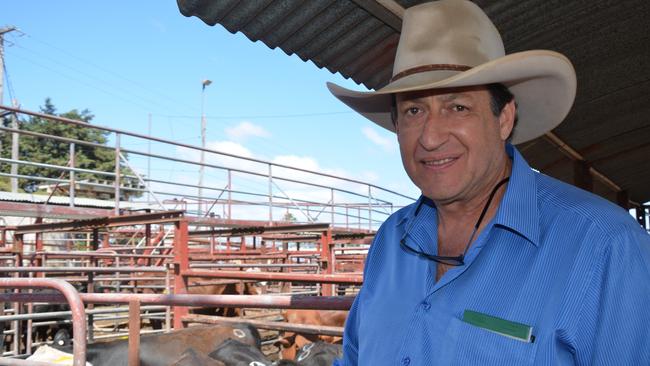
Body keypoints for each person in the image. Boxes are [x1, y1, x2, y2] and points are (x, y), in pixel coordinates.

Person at [326, 1, 650, 365]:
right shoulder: (391, 240)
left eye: (458, 107)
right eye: (414, 111)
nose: (430, 137)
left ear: (504, 119)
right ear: (397, 125)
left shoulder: (605, 245)